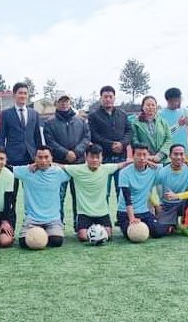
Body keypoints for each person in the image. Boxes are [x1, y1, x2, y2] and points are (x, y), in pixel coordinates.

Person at [62, 144, 130, 242]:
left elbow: (122, 164)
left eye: (97, 157)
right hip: (84, 213)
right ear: (86, 156)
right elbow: (60, 166)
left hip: (102, 213)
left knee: (109, 236)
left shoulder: (106, 169)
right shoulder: (77, 169)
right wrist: (39, 164)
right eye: (92, 157)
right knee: (83, 237)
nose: (94, 160)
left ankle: (96, 230)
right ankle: (88, 229)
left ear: (101, 157)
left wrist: (143, 161)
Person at [43, 95, 90, 226]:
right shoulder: (49, 122)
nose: (64, 104)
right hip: (59, 165)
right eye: (61, 101)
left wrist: (76, 152)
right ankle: (57, 224)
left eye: (66, 101)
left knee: (79, 197)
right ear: (56, 104)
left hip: (78, 164)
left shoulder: (81, 121)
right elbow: (50, 142)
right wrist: (66, 153)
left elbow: (86, 138)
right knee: (58, 197)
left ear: (70, 103)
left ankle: (79, 225)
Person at [0, 82, 43, 211]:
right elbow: (1, 137)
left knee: (33, 194)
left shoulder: (34, 113)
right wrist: (1, 158)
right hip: (13, 159)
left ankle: (34, 224)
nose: (23, 96)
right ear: (14, 95)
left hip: (31, 158)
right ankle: (9, 226)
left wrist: (39, 157)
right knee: (11, 195)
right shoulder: (6, 114)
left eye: (25, 93)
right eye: (20, 93)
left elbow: (37, 137)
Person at [14, 146, 70, 249]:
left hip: (53, 219)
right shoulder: (27, 171)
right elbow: (7, 168)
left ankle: (47, 232)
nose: (43, 160)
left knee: (56, 241)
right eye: (40, 157)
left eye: (46, 157)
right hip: (32, 219)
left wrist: (56, 165)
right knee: (23, 243)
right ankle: (41, 232)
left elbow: (77, 170)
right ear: (35, 158)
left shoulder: (58, 172)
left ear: (51, 158)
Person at [88, 85, 132, 202]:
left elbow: (129, 131)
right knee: (104, 192)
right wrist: (110, 145)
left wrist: (122, 144)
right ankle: (103, 219)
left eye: (110, 97)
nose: (108, 99)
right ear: (101, 99)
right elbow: (93, 135)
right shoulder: (93, 116)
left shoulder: (122, 114)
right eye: (105, 97)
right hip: (103, 159)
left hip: (121, 159)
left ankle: (121, 219)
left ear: (114, 98)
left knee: (121, 192)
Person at [116, 144, 166, 240]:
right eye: (138, 155)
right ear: (133, 156)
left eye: (144, 155)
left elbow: (171, 168)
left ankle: (172, 225)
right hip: (125, 212)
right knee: (133, 235)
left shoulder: (154, 170)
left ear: (148, 156)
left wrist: (186, 162)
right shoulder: (124, 173)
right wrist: (132, 219)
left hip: (144, 211)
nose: (142, 158)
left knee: (158, 232)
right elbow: (127, 199)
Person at [155, 144, 188, 237]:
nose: (178, 157)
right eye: (175, 154)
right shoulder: (162, 171)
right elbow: (152, 189)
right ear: (170, 156)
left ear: (185, 156)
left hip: (182, 204)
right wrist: (157, 205)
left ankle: (186, 226)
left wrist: (176, 196)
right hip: (167, 206)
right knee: (159, 232)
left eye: (181, 154)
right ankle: (173, 224)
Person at [131, 95, 172, 165]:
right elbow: (134, 140)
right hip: (144, 160)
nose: (150, 107)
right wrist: (147, 155)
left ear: (156, 107)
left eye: (153, 105)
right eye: (148, 105)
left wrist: (160, 155)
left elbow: (168, 139)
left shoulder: (163, 122)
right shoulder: (135, 123)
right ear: (142, 107)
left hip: (164, 161)